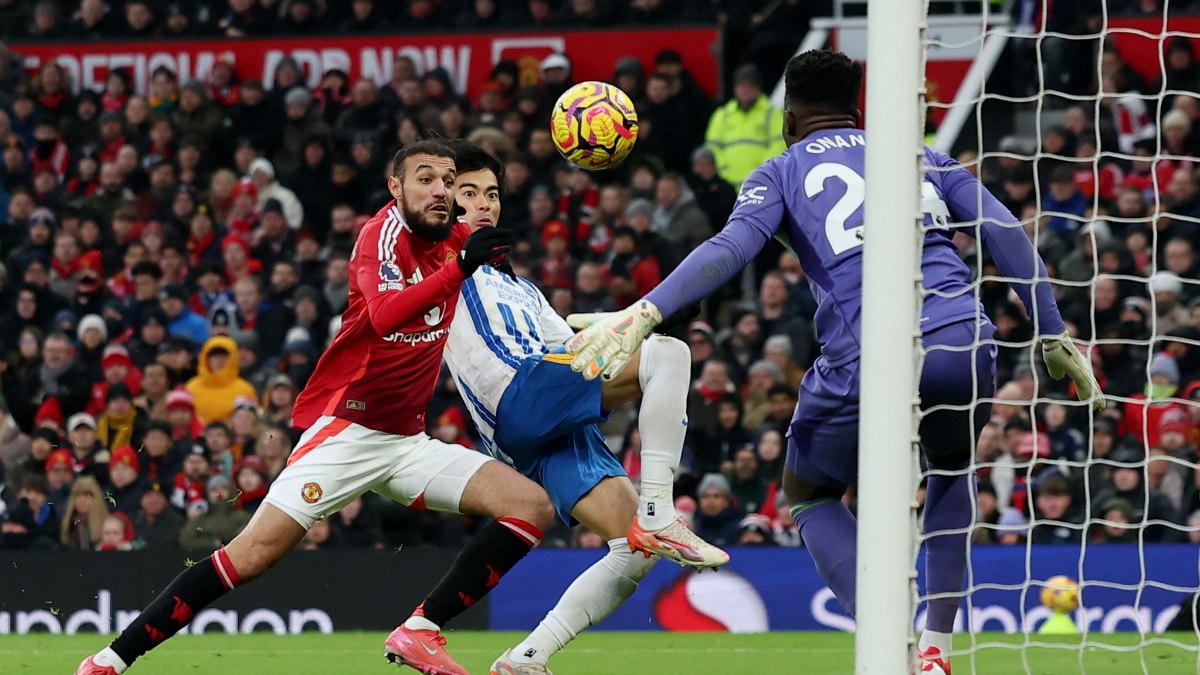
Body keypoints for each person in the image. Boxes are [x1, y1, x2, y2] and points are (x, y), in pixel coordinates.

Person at [564, 50, 1103, 675]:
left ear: (790, 118)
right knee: (952, 470)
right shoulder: (923, 156)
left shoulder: (781, 170)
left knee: (809, 492)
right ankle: (937, 650)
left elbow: (730, 248)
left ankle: (890, 641)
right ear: (858, 108)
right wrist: (1053, 332)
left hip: (871, 353)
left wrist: (646, 311)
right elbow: (1003, 228)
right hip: (965, 340)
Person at [77, 140, 554, 675]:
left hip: (406, 442)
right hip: (347, 432)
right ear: (396, 188)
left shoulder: (460, 240)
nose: (440, 190)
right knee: (250, 556)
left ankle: (420, 630)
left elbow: (503, 297)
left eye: (448, 180)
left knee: (531, 507)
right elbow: (384, 317)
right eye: (426, 179)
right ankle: (108, 661)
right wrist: (460, 268)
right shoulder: (382, 234)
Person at [405, 141, 726, 674]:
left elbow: (581, 345)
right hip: (520, 391)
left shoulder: (522, 288)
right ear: (442, 196)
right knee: (670, 357)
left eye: (491, 193)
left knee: (634, 550)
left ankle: (527, 658)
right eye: (467, 193)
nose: (484, 203)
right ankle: (662, 509)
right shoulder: (438, 259)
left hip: (549, 413)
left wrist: (648, 317)